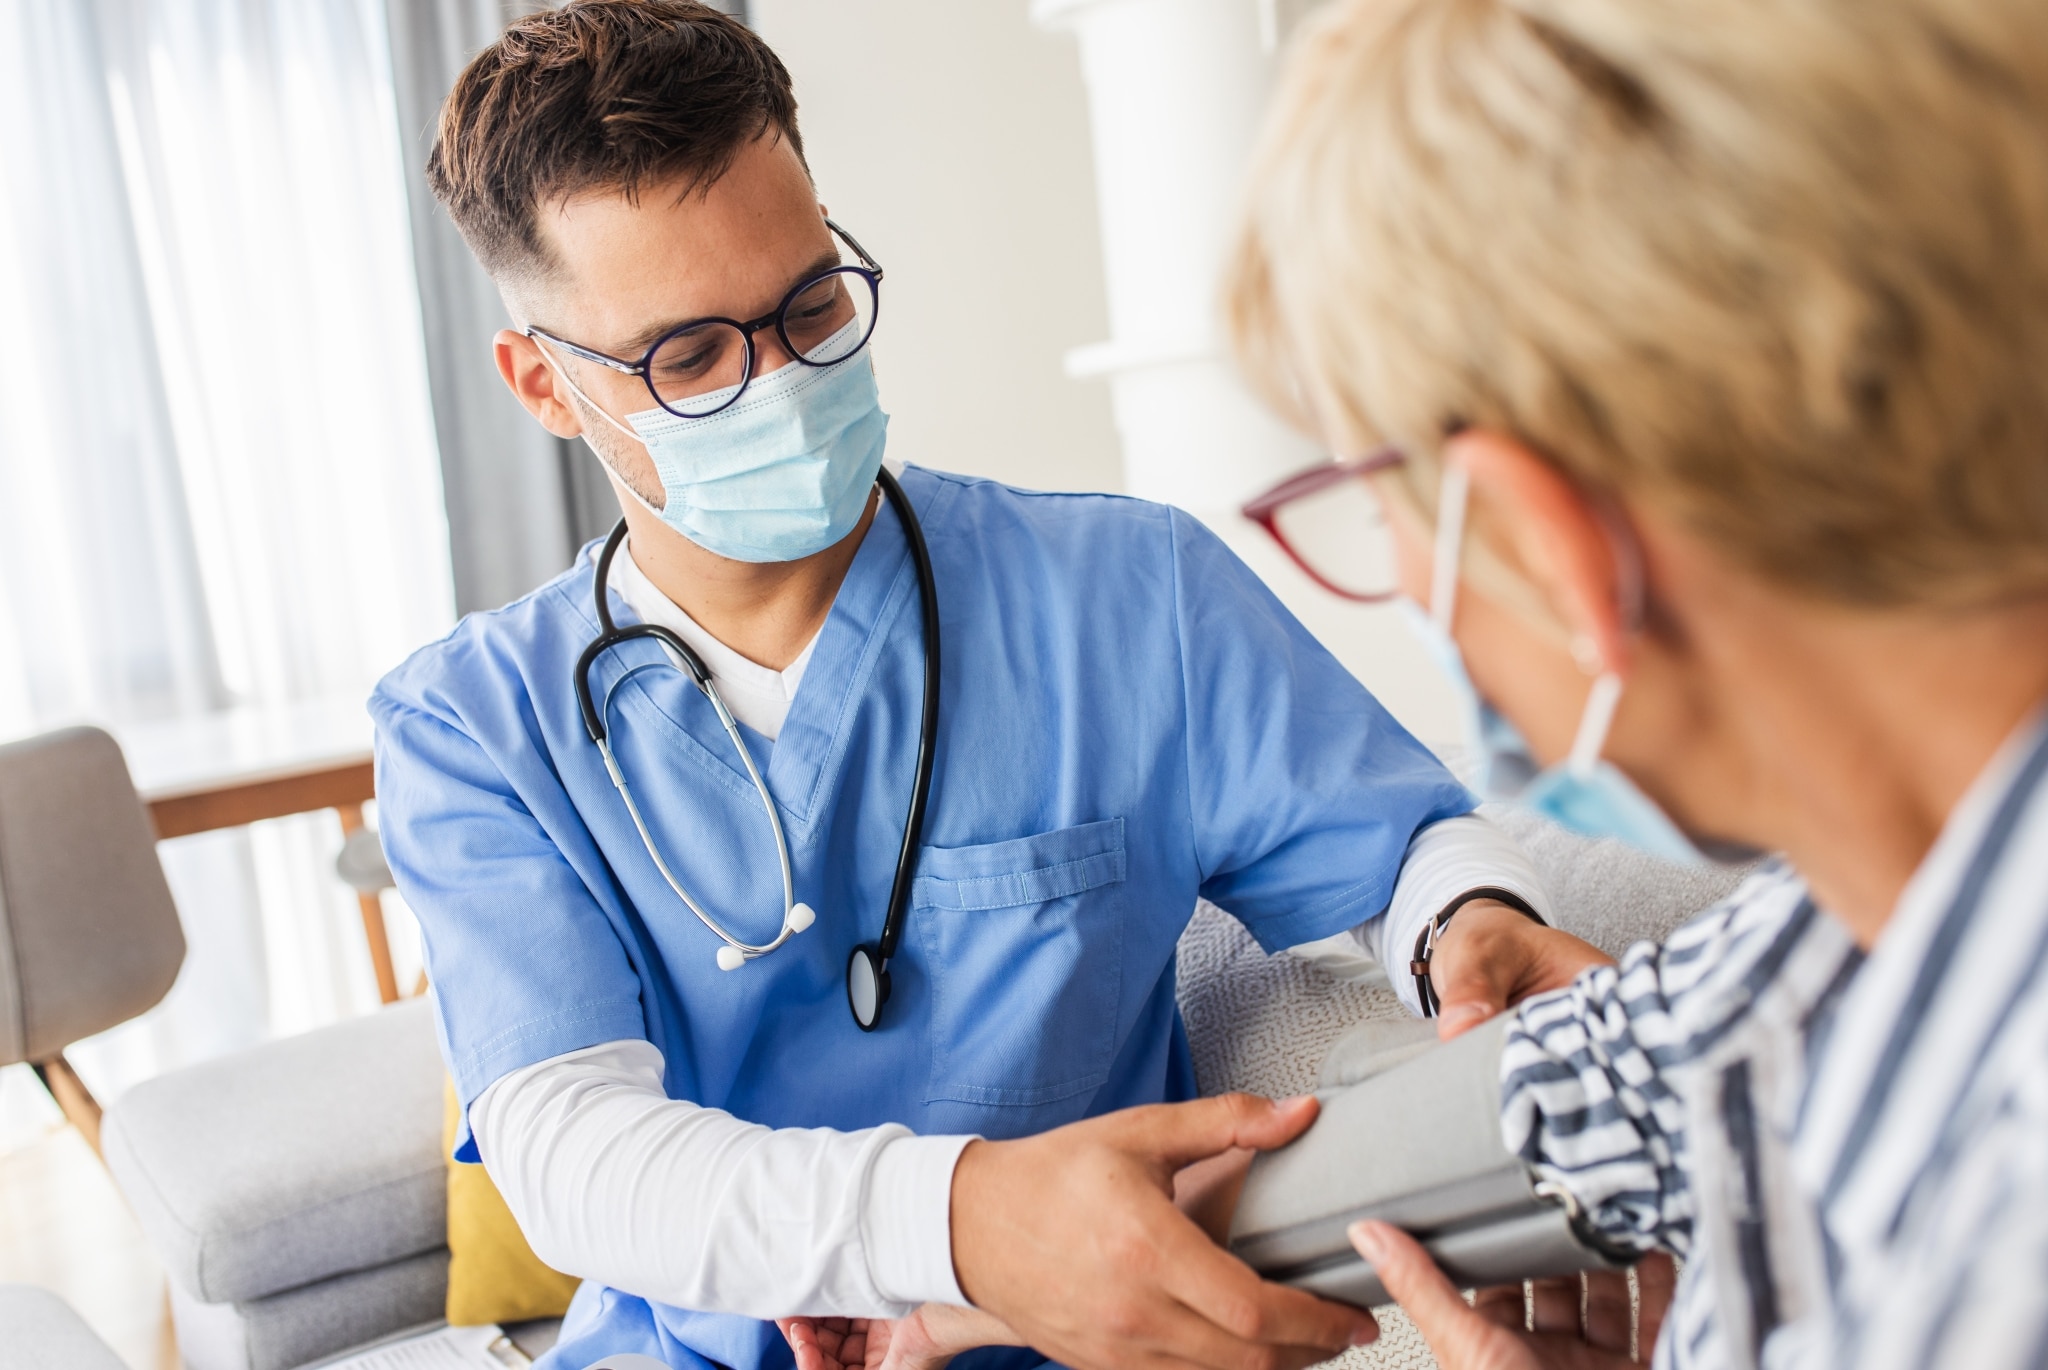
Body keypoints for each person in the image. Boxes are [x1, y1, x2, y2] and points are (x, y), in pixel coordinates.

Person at [368, 5, 1602, 1370]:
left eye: (812, 302)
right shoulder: (472, 725)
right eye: (693, 356)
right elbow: (573, 1152)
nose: (782, 379)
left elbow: (1399, 842)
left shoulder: (1132, 594)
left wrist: (1463, 918)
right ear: (543, 382)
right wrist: (958, 1220)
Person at [1222, 0, 2048, 1365]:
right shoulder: (1830, 930)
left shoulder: (1986, 1272)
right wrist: (965, 1270)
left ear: (1553, 550)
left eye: (1381, 505)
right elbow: (1576, 1077)